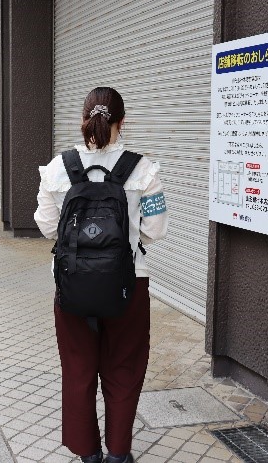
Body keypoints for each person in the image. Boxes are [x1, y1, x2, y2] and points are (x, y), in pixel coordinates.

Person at [34, 87, 168, 463]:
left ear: (82, 120)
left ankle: (87, 452)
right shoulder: (144, 169)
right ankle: (119, 453)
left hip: (71, 285)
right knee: (124, 366)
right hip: (129, 284)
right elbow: (155, 230)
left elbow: (46, 227)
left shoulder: (58, 169)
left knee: (78, 368)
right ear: (122, 123)